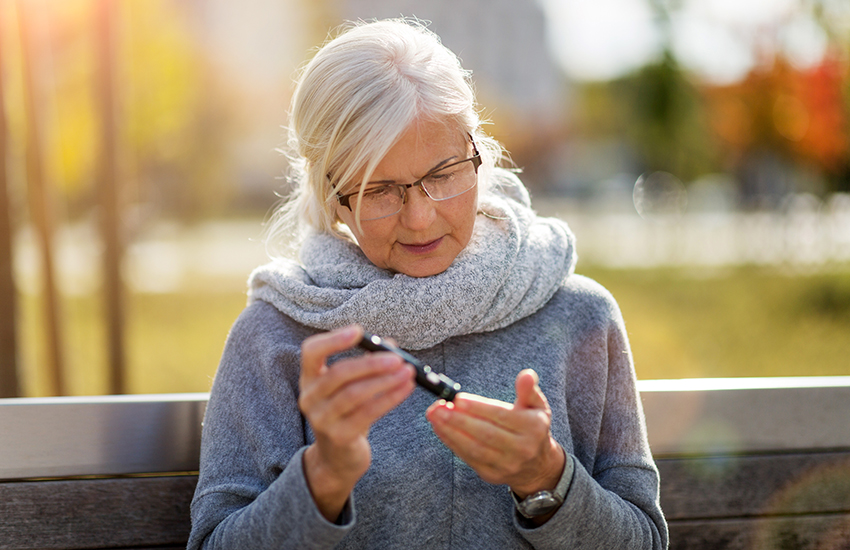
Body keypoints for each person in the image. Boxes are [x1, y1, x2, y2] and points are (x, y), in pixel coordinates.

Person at [188, 18, 668, 550]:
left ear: (478, 153)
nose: (419, 218)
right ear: (331, 197)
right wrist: (322, 478)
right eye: (379, 190)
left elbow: (644, 540)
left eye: (442, 175)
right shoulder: (276, 337)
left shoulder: (582, 318)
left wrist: (548, 479)